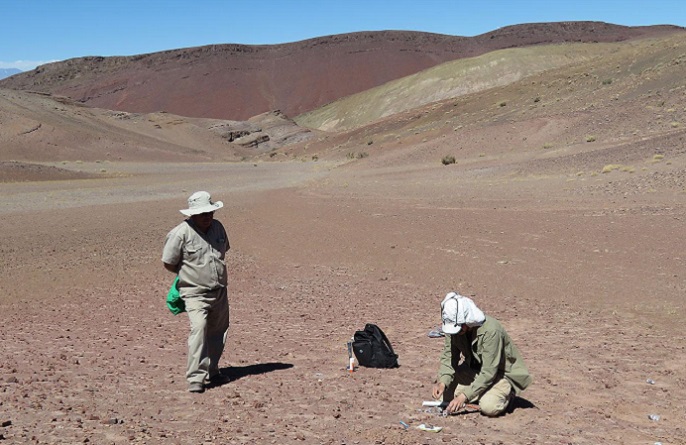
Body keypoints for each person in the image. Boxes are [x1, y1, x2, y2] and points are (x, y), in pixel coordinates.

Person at [162, 191, 232, 393]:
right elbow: (168, 262)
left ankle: (212, 370)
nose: (208, 217)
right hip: (194, 292)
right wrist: (189, 275)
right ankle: (196, 378)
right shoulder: (180, 233)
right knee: (199, 329)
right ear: (192, 214)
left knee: (218, 331)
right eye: (203, 214)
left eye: (210, 212)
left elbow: (223, 250)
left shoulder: (218, 227)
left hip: (219, 290)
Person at [432, 292, 532, 416]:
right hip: (474, 371)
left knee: (489, 407)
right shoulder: (452, 328)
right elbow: (449, 357)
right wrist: (443, 382)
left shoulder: (491, 331)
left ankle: (508, 395)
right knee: (443, 397)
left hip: (499, 375)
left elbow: (489, 372)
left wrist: (464, 396)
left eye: (459, 329)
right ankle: (480, 393)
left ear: (467, 321)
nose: (455, 333)